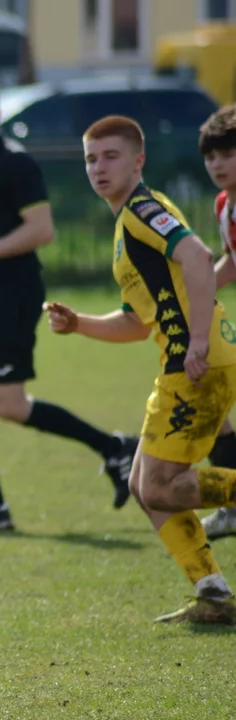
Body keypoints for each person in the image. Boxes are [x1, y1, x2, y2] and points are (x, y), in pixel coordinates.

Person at [0, 76, 137, 531]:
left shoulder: (17, 164)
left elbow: (41, 231)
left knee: (10, 405)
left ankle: (114, 447)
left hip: (14, 296)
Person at [44, 114, 236, 623]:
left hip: (197, 359)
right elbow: (136, 320)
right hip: (189, 357)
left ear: (138, 161)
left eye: (111, 156)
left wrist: (195, 340)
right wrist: (79, 322)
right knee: (141, 485)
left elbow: (197, 256)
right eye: (90, 158)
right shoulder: (126, 220)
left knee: (156, 487)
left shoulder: (143, 210)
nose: (99, 167)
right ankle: (213, 593)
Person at [194, 104, 236, 541]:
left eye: (227, 154)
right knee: (213, 405)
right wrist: (198, 295)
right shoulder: (224, 205)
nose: (217, 164)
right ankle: (231, 504)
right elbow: (232, 261)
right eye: (211, 157)